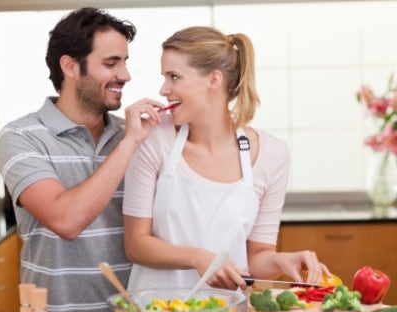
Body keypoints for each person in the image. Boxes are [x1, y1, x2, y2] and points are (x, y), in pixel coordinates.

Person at [123, 26, 330, 294]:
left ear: (213, 80)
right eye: (165, 77)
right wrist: (197, 258)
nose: (164, 89)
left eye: (174, 77)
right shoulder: (153, 139)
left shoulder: (271, 155)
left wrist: (282, 260)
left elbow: (257, 257)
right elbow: (136, 244)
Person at [0, 7, 164, 312]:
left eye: (125, 62)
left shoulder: (133, 133)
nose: (126, 75)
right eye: (111, 63)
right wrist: (129, 143)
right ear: (71, 67)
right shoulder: (20, 137)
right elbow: (66, 220)